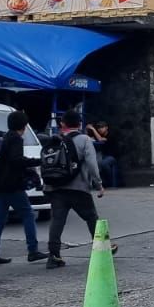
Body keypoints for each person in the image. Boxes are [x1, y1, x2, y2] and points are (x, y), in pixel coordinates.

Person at [43, 111, 109, 269]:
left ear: (62, 124)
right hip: (78, 188)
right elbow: (92, 164)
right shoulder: (85, 140)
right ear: (79, 124)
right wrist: (98, 184)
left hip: (55, 187)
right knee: (92, 218)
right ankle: (103, 248)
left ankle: (54, 255)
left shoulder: (54, 139)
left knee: (57, 221)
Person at [0, 110, 45, 266]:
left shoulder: (3, 137)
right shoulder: (16, 139)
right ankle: (33, 251)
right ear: (24, 126)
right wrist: (37, 161)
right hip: (12, 185)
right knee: (28, 215)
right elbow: (16, 160)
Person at [88, 121, 122, 188]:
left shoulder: (111, 135)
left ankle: (108, 181)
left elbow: (100, 140)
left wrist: (93, 129)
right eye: (98, 128)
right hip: (103, 156)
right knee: (95, 163)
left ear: (106, 127)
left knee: (104, 163)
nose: (100, 129)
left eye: (102, 127)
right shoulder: (99, 135)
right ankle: (98, 183)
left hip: (112, 157)